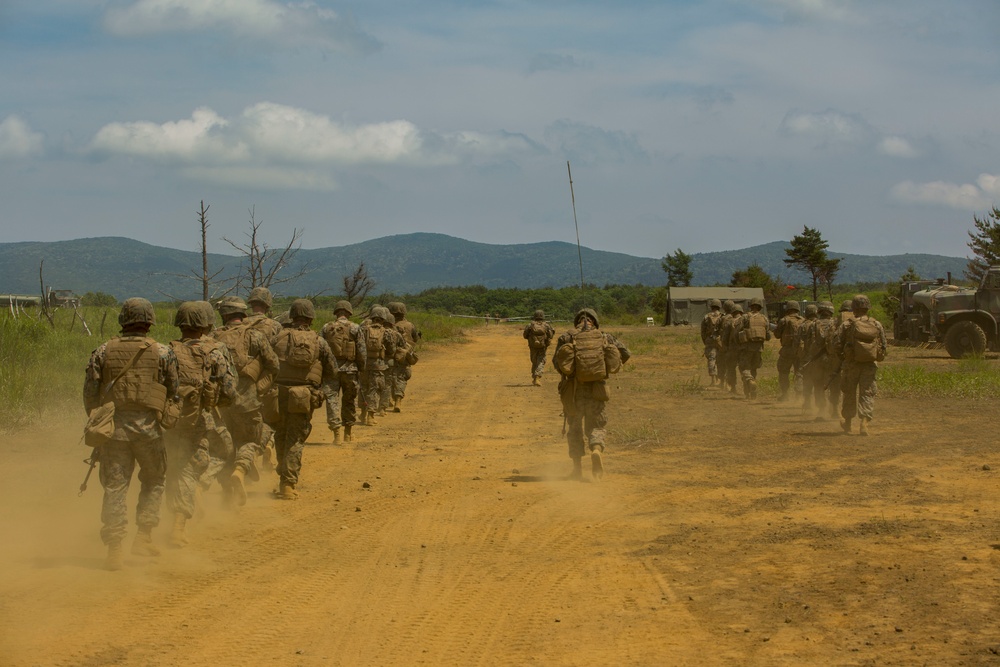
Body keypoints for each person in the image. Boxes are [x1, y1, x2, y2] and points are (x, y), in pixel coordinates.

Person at [83, 298, 178, 571]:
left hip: (113, 432)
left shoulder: (102, 351)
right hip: (149, 430)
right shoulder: (162, 352)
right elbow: (174, 391)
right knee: (155, 480)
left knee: (115, 487)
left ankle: (114, 547)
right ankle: (144, 537)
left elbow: (90, 395)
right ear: (149, 321)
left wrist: (101, 420)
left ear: (122, 320)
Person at [164, 301, 237, 547]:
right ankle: (178, 525)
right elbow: (229, 391)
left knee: (174, 466)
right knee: (205, 459)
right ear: (207, 323)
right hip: (202, 419)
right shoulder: (216, 351)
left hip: (169, 420)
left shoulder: (167, 350)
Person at [211, 296, 279, 506]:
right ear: (242, 314)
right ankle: (240, 471)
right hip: (248, 401)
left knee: (224, 446)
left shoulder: (213, 337)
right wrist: (260, 388)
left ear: (224, 315)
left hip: (221, 404)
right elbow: (273, 365)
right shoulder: (255, 336)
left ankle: (226, 494)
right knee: (250, 441)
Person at [553, 308, 630, 481]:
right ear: (595, 321)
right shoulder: (604, 337)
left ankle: (577, 470)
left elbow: (556, 363)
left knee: (574, 429)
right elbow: (625, 353)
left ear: (577, 321)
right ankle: (596, 449)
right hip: (597, 390)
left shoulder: (566, 337)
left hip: (573, 392)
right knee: (597, 425)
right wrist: (604, 368)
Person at [271, 299, 336, 499]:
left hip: (278, 394)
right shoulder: (319, 341)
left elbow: (266, 363)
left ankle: (283, 469)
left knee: (280, 434)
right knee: (296, 438)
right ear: (310, 317)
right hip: (304, 396)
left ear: (292, 316)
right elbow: (332, 370)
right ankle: (288, 484)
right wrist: (321, 390)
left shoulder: (277, 337)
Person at [835, 294, 887, 436]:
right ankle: (864, 423)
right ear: (868, 307)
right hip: (869, 365)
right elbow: (884, 345)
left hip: (851, 364)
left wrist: (842, 356)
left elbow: (836, 344)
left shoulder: (847, 324)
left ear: (854, 308)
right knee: (867, 393)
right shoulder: (876, 324)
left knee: (849, 393)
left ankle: (848, 424)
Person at [320, 300, 366, 444]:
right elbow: (361, 351)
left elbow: (319, 349)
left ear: (336, 312)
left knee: (332, 401)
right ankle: (348, 433)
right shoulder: (355, 328)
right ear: (349, 312)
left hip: (330, 370)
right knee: (349, 400)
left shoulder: (326, 327)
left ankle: (336, 434)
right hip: (350, 370)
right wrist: (361, 367)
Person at [359, 306, 399, 425]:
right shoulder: (387, 332)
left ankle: (362, 413)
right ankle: (370, 416)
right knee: (374, 390)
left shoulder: (363, 330)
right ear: (383, 319)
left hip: (364, 365)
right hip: (379, 365)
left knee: (363, 388)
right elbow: (391, 351)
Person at [799, 302, 836, 419]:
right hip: (832, 359)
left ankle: (821, 410)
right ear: (831, 311)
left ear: (819, 311)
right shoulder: (837, 323)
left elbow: (808, 343)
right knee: (834, 384)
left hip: (817, 360)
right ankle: (835, 409)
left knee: (818, 384)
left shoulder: (813, 324)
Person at [733, 296, 771, 399]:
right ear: (760, 307)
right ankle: (750, 393)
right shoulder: (764, 318)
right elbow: (768, 335)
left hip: (746, 347)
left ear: (751, 306)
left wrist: (738, 343)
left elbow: (736, 332)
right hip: (759, 348)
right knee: (753, 369)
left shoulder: (745, 317)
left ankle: (750, 381)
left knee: (744, 368)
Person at [388, 302, 420, 408]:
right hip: (404, 356)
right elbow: (415, 338)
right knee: (401, 377)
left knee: (389, 376)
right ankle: (398, 400)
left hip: (390, 355)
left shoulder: (387, 325)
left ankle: (388, 397)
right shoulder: (410, 325)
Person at [774, 301, 804, 401]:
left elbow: (777, 334)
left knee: (783, 372)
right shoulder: (803, 320)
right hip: (800, 350)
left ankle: (785, 394)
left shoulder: (784, 320)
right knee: (799, 372)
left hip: (787, 350)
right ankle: (799, 395)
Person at [522, 309, 555, 386]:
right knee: (541, 361)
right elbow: (551, 335)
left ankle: (535, 377)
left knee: (534, 361)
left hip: (533, 346)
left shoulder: (530, 325)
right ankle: (537, 377)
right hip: (543, 346)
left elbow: (525, 335)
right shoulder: (546, 325)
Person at [699, 299, 724, 386]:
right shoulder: (722, 316)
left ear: (711, 306)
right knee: (721, 359)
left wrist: (705, 341)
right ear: (719, 306)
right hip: (720, 340)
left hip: (709, 340)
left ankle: (713, 380)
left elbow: (703, 331)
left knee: (711, 359)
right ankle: (721, 380)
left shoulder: (706, 317)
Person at [720, 301, 742, 394]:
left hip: (732, 349)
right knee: (745, 368)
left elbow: (725, 338)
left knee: (731, 368)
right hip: (743, 349)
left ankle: (733, 388)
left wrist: (725, 347)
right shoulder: (746, 320)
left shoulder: (729, 321)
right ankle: (748, 386)